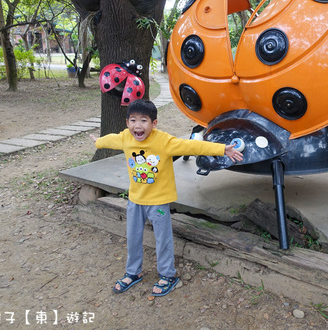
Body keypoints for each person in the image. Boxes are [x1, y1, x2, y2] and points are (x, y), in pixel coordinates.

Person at [91, 99, 243, 296]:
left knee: (163, 238)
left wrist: (222, 149)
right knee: (133, 237)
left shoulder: (163, 141)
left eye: (144, 120)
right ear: (127, 122)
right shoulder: (125, 137)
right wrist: (99, 142)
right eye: (133, 120)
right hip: (135, 200)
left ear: (154, 124)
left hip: (159, 201)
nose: (138, 125)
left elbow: (191, 146)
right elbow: (111, 140)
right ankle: (133, 272)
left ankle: (168, 275)